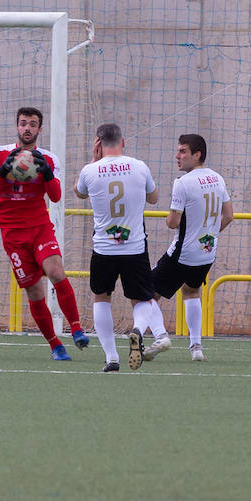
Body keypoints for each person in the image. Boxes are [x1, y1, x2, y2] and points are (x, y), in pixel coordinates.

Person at [0, 106, 88, 361]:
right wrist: (3, 170)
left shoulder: (48, 158)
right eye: (23, 123)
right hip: (12, 233)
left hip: (39, 227)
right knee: (35, 292)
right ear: (17, 127)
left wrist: (48, 174)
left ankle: (76, 328)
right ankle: (55, 345)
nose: (27, 128)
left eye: (32, 124)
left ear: (40, 129)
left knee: (56, 272)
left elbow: (56, 195)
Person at [74, 123, 159, 372]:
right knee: (142, 298)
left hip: (103, 249)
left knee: (101, 298)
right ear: (123, 142)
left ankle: (111, 357)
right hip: (134, 248)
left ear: (98, 143)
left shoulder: (90, 170)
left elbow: (79, 193)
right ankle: (137, 330)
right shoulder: (139, 166)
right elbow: (154, 198)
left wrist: (93, 160)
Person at [150, 134, 233, 362]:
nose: (178, 156)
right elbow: (229, 215)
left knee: (146, 292)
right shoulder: (218, 178)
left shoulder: (183, 183)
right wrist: (208, 237)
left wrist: (169, 219)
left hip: (182, 253)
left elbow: (173, 222)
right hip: (206, 253)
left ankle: (160, 336)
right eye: (178, 151)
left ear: (197, 155)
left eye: (183, 151)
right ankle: (196, 347)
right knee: (191, 291)